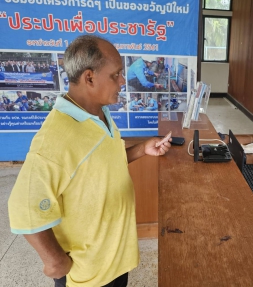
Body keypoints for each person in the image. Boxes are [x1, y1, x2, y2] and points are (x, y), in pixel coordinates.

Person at [8, 35, 172, 287]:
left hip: (113, 259)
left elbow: (101, 163)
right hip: (88, 274)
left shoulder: (99, 113)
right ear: (89, 77)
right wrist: (55, 262)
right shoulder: (56, 138)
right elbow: (24, 208)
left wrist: (141, 149)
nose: (122, 82)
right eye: (115, 75)